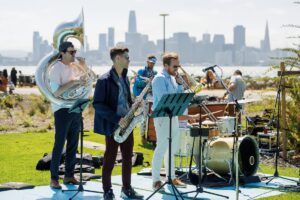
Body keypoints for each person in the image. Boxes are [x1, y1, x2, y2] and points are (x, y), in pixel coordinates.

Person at [93, 47, 143, 200]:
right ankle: (107, 190)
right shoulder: (103, 80)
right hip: (113, 125)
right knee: (110, 158)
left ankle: (126, 188)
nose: (129, 59)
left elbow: (125, 99)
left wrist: (135, 104)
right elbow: (98, 104)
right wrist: (116, 119)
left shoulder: (125, 77)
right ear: (117, 59)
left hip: (127, 123)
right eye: (126, 57)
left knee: (128, 157)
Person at [151, 52, 199, 191]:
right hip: (163, 117)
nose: (177, 69)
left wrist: (179, 85)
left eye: (178, 66)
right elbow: (164, 100)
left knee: (171, 149)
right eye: (175, 66)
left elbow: (176, 97)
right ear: (166, 65)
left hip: (173, 117)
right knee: (161, 148)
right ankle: (156, 180)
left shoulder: (173, 78)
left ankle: (171, 177)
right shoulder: (159, 79)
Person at [48, 41, 86, 189]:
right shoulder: (56, 68)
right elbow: (56, 92)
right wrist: (74, 82)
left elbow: (84, 82)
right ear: (62, 53)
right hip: (62, 109)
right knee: (59, 144)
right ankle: (54, 178)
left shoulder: (74, 66)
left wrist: (84, 68)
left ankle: (69, 176)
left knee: (73, 144)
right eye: (71, 52)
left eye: (75, 52)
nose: (74, 55)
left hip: (75, 107)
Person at [132, 55, 157, 145]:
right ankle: (142, 137)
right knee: (144, 117)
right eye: (151, 62)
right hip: (144, 97)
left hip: (153, 98)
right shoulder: (141, 71)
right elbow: (137, 83)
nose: (152, 64)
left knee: (152, 117)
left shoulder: (155, 72)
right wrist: (146, 81)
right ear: (147, 62)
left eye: (154, 62)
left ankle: (153, 137)